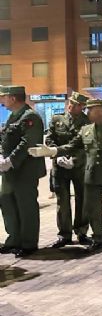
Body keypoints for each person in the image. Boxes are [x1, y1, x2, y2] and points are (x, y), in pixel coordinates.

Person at [29, 98, 102, 252]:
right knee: (93, 209)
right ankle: (97, 238)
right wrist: (53, 152)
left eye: (90, 109)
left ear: (101, 110)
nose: (87, 112)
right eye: (87, 109)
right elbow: (71, 145)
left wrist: (74, 161)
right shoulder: (86, 129)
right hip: (90, 175)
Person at [0, 85, 46, 257]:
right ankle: (14, 240)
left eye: (3, 97)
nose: (1, 100)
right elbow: (6, 139)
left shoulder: (30, 116)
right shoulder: (13, 116)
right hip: (9, 171)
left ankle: (28, 243)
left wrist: (10, 161)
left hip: (25, 171)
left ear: (13, 98)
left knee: (26, 207)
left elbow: (28, 142)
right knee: (7, 202)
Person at [45, 91, 91, 248]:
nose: (72, 106)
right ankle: (64, 235)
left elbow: (87, 145)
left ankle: (82, 232)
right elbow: (50, 139)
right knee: (62, 202)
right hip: (60, 168)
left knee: (82, 200)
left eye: (77, 104)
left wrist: (74, 160)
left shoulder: (87, 122)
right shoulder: (57, 119)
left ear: (82, 107)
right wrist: (56, 156)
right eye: (71, 102)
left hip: (78, 167)